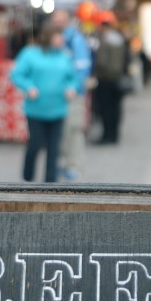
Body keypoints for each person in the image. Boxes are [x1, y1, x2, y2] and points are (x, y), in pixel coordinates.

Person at [11, 24, 77, 182]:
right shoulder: (30, 54)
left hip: (58, 110)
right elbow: (17, 74)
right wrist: (28, 87)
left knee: (54, 149)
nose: (62, 40)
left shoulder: (65, 57)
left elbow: (73, 78)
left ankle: (50, 183)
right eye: (59, 37)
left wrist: (71, 88)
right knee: (34, 145)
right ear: (49, 37)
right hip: (36, 110)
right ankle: (27, 178)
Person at [50, 9, 92, 180]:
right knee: (60, 130)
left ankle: (74, 165)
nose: (58, 23)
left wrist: (74, 87)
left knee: (73, 129)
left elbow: (83, 67)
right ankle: (62, 162)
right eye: (55, 20)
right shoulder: (52, 40)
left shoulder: (75, 39)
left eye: (61, 20)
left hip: (72, 94)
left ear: (67, 21)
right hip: (56, 94)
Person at [93, 15, 129, 145]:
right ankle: (114, 135)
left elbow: (102, 61)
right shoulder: (120, 40)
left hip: (106, 79)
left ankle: (107, 136)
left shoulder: (105, 40)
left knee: (105, 109)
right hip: (117, 79)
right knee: (115, 109)